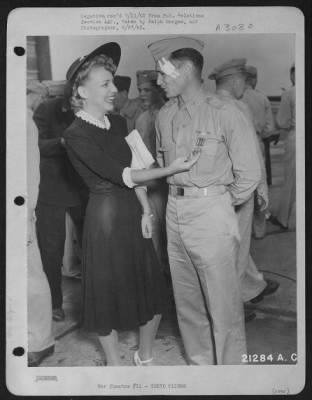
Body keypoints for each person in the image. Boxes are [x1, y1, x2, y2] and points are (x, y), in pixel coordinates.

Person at [63, 42, 199, 366]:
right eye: (105, 84)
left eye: (112, 81)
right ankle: (114, 365)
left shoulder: (122, 123)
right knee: (107, 297)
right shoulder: (75, 134)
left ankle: (145, 357)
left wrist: (146, 210)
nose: (114, 89)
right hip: (105, 220)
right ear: (81, 90)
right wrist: (172, 169)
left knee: (150, 291)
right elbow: (121, 173)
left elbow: (137, 168)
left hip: (133, 214)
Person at [149, 37, 262, 365]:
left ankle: (230, 376)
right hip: (174, 209)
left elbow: (250, 173)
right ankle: (201, 370)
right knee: (187, 304)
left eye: (163, 73)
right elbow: (161, 163)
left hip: (211, 211)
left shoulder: (225, 112)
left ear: (184, 70)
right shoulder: (165, 114)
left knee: (223, 306)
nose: (158, 80)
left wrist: (220, 203)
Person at [209, 58, 279, 308]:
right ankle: (234, 304)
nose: (245, 87)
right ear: (236, 80)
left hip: (218, 188)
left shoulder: (208, 104)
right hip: (241, 187)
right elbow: (252, 155)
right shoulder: (238, 107)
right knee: (236, 249)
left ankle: (253, 286)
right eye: (243, 81)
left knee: (230, 244)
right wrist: (261, 190)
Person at [33, 64, 88, 322]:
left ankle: (94, 301)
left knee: (92, 246)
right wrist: (62, 143)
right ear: (70, 84)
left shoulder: (92, 108)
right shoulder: (47, 109)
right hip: (51, 190)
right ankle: (54, 303)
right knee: (51, 250)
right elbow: (35, 145)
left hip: (82, 188)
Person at [27, 81, 54, 366]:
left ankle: (40, 341)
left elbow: (28, 175)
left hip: (21, 210)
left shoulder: (25, 122)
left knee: (30, 276)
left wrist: (26, 213)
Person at [135, 70, 169, 280]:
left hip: (168, 184)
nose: (142, 94)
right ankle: (159, 279)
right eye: (140, 90)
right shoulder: (142, 119)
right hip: (150, 185)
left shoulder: (169, 114)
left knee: (171, 236)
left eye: (147, 90)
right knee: (154, 236)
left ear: (158, 90)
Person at [242, 65, 276, 239]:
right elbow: (270, 127)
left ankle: (244, 229)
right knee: (260, 186)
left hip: (239, 145)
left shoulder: (236, 99)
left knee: (242, 186)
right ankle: (260, 229)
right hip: (257, 142)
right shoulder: (262, 98)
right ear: (254, 79)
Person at [270, 64, 296, 229]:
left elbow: (282, 121)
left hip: (296, 136)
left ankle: (283, 219)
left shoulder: (289, 93)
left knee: (291, 181)